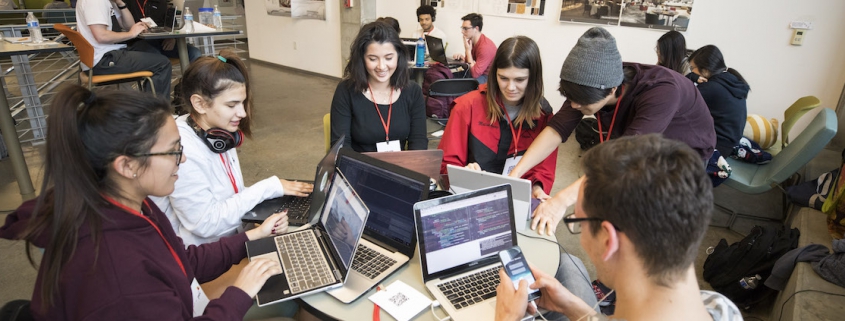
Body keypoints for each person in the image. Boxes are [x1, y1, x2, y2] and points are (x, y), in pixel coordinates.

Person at [0, 86, 286, 319]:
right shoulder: (119, 278)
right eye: (174, 151)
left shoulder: (130, 204)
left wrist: (252, 235)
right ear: (127, 166)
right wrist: (240, 292)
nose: (183, 159)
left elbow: (180, 261)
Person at [495, 134, 742, 321]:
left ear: (607, 240)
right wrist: (576, 308)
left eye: (577, 222)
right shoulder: (720, 307)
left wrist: (505, 318)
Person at [509, 27, 715, 235]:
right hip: (643, 141)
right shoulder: (593, 80)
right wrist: (516, 174)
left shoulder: (661, 92)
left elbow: (624, 156)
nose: (573, 106)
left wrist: (561, 201)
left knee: (654, 218)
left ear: (613, 90)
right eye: (569, 98)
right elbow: (556, 130)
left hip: (685, 151)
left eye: (580, 101)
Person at [152, 50, 313, 246]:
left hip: (230, 237)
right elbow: (205, 224)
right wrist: (267, 188)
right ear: (199, 104)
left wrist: (262, 218)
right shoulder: (182, 150)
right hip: (202, 254)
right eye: (232, 105)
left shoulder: (219, 133)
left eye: (243, 103)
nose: (243, 113)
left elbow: (229, 196)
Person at [439, 36, 557, 199]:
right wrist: (463, 173)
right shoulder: (467, 106)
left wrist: (536, 188)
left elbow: (544, 168)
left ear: (534, 78)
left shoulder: (543, 114)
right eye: (503, 78)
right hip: (470, 196)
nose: (511, 87)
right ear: (494, 75)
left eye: (520, 79)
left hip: (518, 198)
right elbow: (446, 163)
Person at [331, 22, 427, 152]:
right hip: (358, 168)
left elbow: (418, 142)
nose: (381, 66)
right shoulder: (346, 91)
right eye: (372, 59)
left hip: (400, 169)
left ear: (399, 56)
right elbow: (341, 147)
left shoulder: (413, 91)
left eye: (388, 58)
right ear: (362, 59)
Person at [76, 0, 172, 97]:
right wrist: (130, 34)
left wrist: (121, 4)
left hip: (108, 53)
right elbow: (101, 36)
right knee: (162, 64)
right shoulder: (96, 2)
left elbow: (129, 26)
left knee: (151, 51)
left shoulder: (110, 2)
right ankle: (158, 110)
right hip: (104, 59)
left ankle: (147, 104)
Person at [687, 45, 750, 158]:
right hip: (729, 144)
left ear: (705, 70)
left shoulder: (711, 88)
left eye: (692, 68)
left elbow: (680, 99)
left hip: (715, 148)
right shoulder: (731, 80)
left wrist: (690, 77)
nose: (692, 71)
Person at [125, 0, 202, 62]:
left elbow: (172, 25)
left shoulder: (161, 2)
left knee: (195, 53)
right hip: (137, 42)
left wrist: (172, 38)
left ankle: (192, 81)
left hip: (162, 42)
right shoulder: (126, 3)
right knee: (158, 58)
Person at [452, 13, 497, 84]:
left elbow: (475, 74)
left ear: (476, 28)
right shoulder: (471, 41)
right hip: (477, 74)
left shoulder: (485, 47)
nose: (462, 31)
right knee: (450, 77)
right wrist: (462, 58)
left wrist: (468, 51)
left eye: (465, 29)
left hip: (487, 78)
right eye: (462, 28)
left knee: (457, 84)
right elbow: (468, 64)